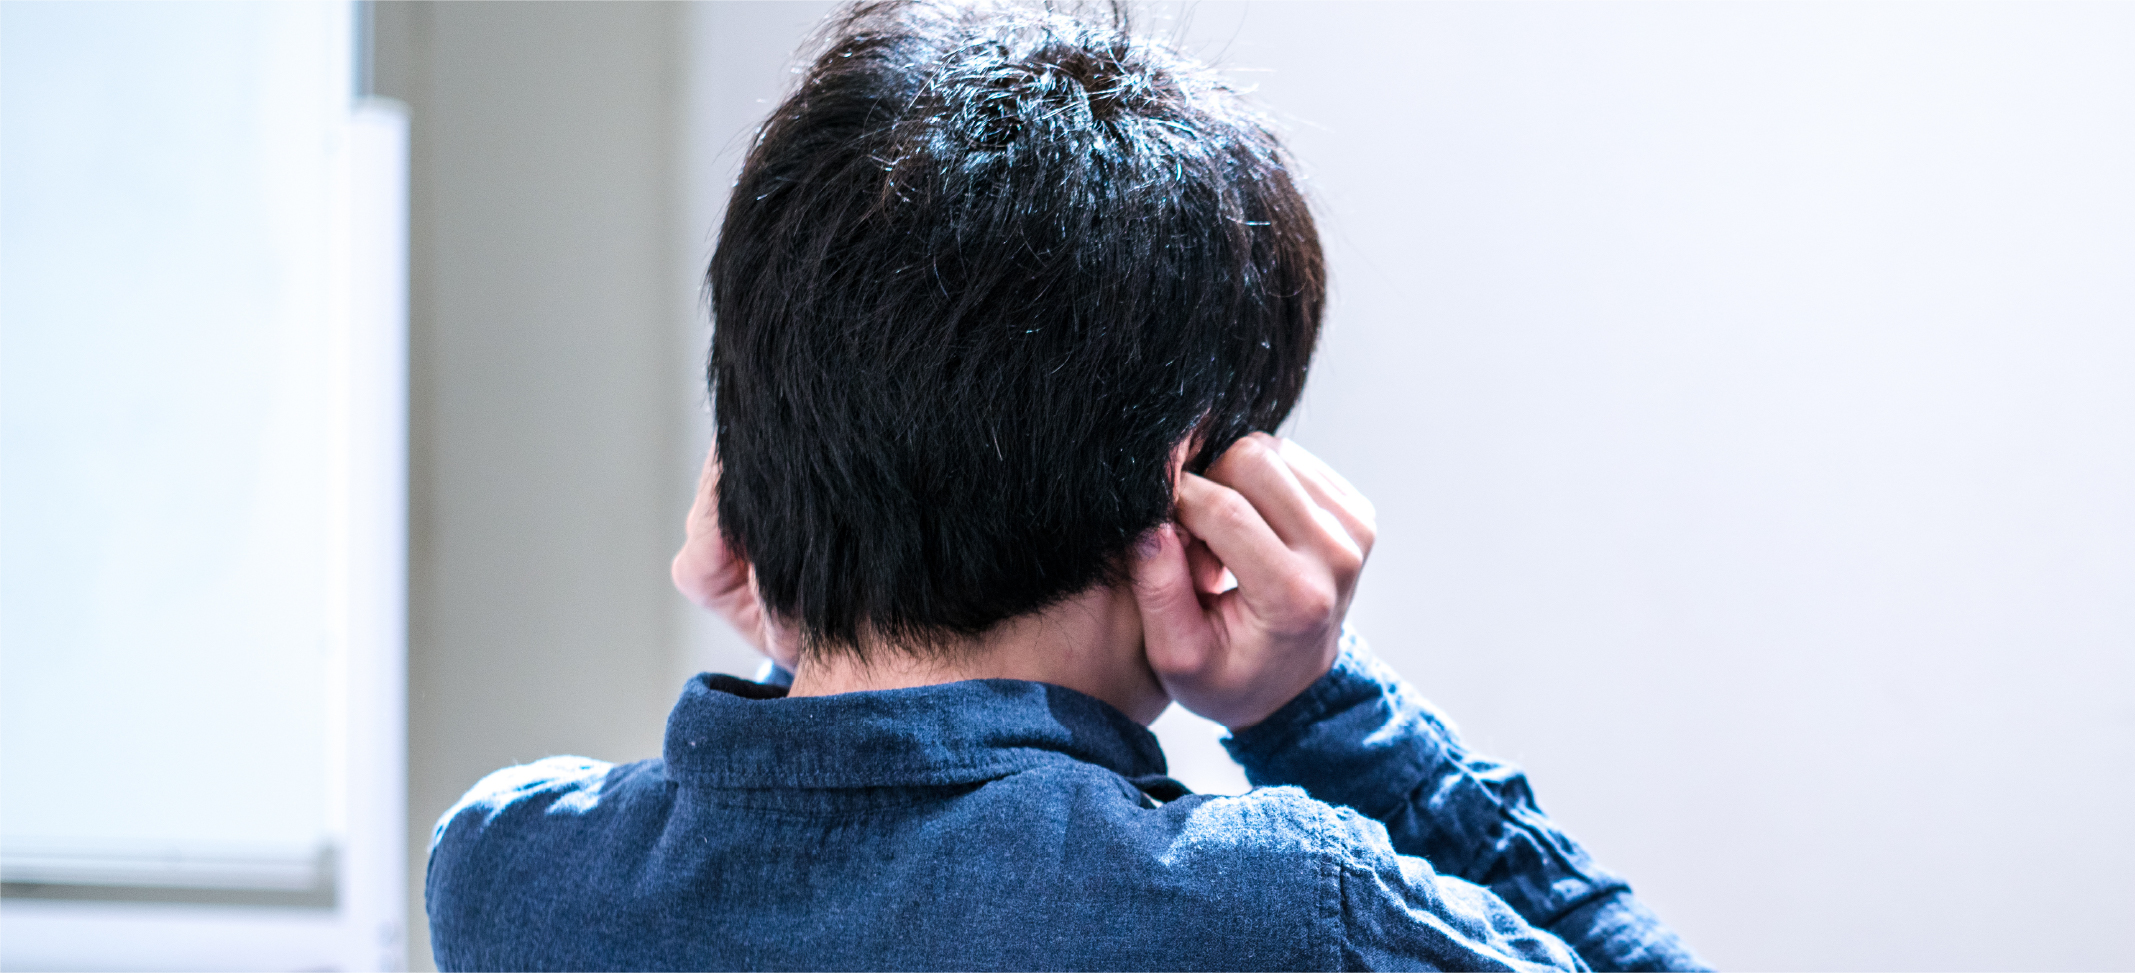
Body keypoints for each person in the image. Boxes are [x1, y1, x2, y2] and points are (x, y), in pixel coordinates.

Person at [425, 2, 1707, 969]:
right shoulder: (1278, 915)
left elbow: (812, 864)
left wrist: (820, 625)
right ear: (1192, 486)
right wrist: (1314, 705)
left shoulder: (508, 871)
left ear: (758, 452)